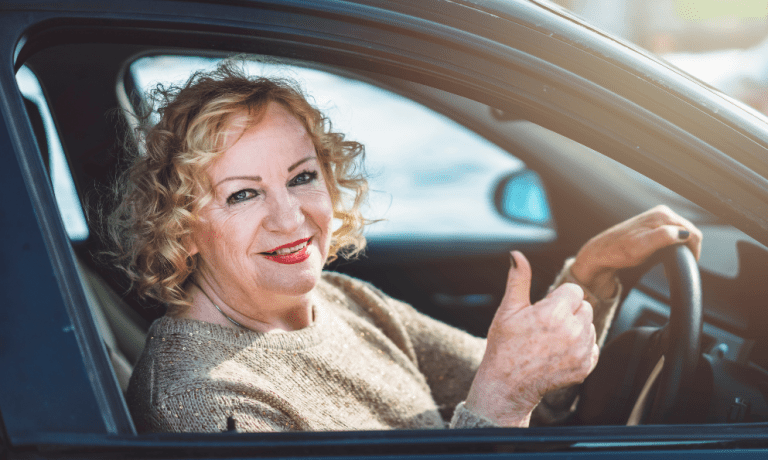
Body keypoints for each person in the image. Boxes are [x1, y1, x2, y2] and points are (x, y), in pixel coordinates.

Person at [113, 62, 702, 432]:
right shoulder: (197, 405)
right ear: (181, 225)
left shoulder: (340, 299)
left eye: (301, 177)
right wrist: (500, 404)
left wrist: (591, 272)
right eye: (243, 195)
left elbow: (527, 392)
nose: (289, 217)